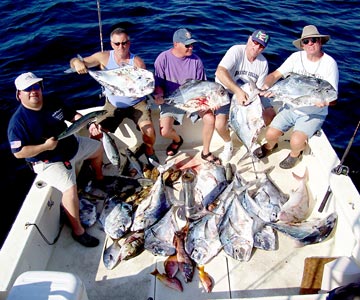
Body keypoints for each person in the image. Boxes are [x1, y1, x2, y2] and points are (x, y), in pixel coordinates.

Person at [8, 72, 104, 247]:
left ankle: (99, 179)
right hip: (49, 161)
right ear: (18, 94)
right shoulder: (18, 122)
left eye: (36, 86)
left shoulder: (53, 101)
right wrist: (44, 147)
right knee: (70, 189)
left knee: (98, 149)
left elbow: (73, 115)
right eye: (27, 89)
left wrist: (89, 122)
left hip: (72, 146)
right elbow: (19, 152)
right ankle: (78, 232)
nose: (33, 91)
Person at [253, 25, 339, 169]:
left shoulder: (330, 64)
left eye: (314, 40)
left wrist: (324, 103)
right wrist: (266, 87)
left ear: (320, 42)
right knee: (270, 134)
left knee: (296, 141)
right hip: (290, 107)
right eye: (306, 41)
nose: (310, 43)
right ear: (302, 45)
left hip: (313, 114)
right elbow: (275, 75)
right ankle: (270, 146)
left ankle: (295, 154)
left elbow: (334, 99)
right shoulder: (295, 57)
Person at [69, 27, 159, 164]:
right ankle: (96, 161)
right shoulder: (103, 57)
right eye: (117, 44)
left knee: (149, 131)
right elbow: (75, 61)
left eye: (124, 43)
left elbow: (144, 85)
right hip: (113, 104)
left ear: (129, 43)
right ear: (112, 44)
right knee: (95, 133)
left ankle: (149, 151)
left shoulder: (137, 62)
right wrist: (77, 63)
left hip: (137, 103)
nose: (121, 47)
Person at [153, 28, 221, 164]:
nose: (191, 47)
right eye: (187, 45)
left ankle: (206, 152)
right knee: (164, 131)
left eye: (192, 44)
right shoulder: (163, 59)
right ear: (176, 44)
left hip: (195, 100)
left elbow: (202, 86)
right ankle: (177, 140)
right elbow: (158, 83)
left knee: (210, 119)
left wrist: (211, 102)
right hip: (172, 101)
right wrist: (159, 94)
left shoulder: (196, 61)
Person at [215, 29, 276, 163]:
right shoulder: (236, 51)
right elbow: (220, 72)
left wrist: (256, 100)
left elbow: (258, 88)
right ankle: (228, 144)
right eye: (255, 42)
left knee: (270, 114)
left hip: (250, 95)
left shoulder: (263, 63)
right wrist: (237, 91)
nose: (256, 47)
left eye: (261, 46)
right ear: (249, 39)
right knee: (219, 124)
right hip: (227, 90)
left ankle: (251, 139)